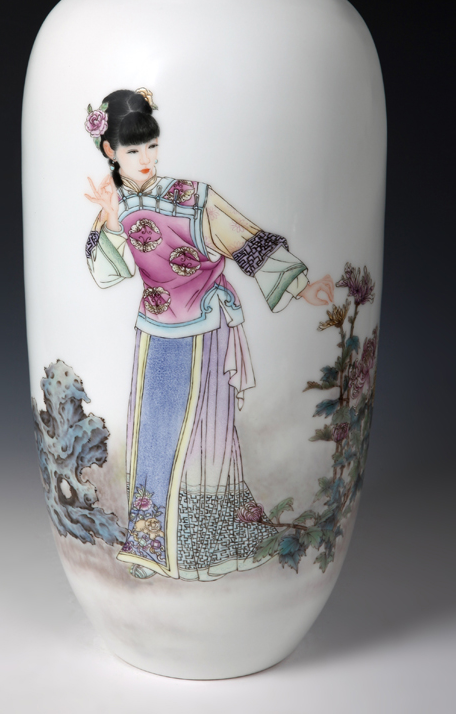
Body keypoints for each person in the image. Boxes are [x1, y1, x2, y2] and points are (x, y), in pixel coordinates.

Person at [85, 88, 334, 581]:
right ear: (111, 151)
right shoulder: (114, 206)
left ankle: (205, 542)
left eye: (152, 146)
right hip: (155, 332)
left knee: (205, 436)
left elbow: (245, 239)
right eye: (133, 150)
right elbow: (107, 274)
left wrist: (302, 286)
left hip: (203, 327)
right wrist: (112, 223)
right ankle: (150, 543)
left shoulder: (191, 197)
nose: (146, 159)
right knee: (153, 435)